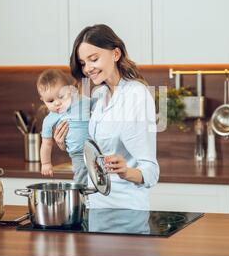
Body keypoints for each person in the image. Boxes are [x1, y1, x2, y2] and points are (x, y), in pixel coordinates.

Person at [54, 24, 159, 210]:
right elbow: (95, 150)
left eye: (93, 59)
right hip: (95, 204)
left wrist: (125, 171)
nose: (87, 68)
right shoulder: (99, 94)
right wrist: (67, 144)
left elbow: (151, 172)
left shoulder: (137, 95)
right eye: (83, 63)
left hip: (125, 210)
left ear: (116, 54)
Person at [36, 69, 90, 185]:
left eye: (61, 96)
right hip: (78, 154)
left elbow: (86, 84)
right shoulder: (49, 120)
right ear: (43, 100)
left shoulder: (81, 101)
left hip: (97, 149)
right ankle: (83, 200)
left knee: (100, 179)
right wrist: (46, 163)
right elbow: (46, 144)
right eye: (50, 101)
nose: (57, 103)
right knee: (82, 179)